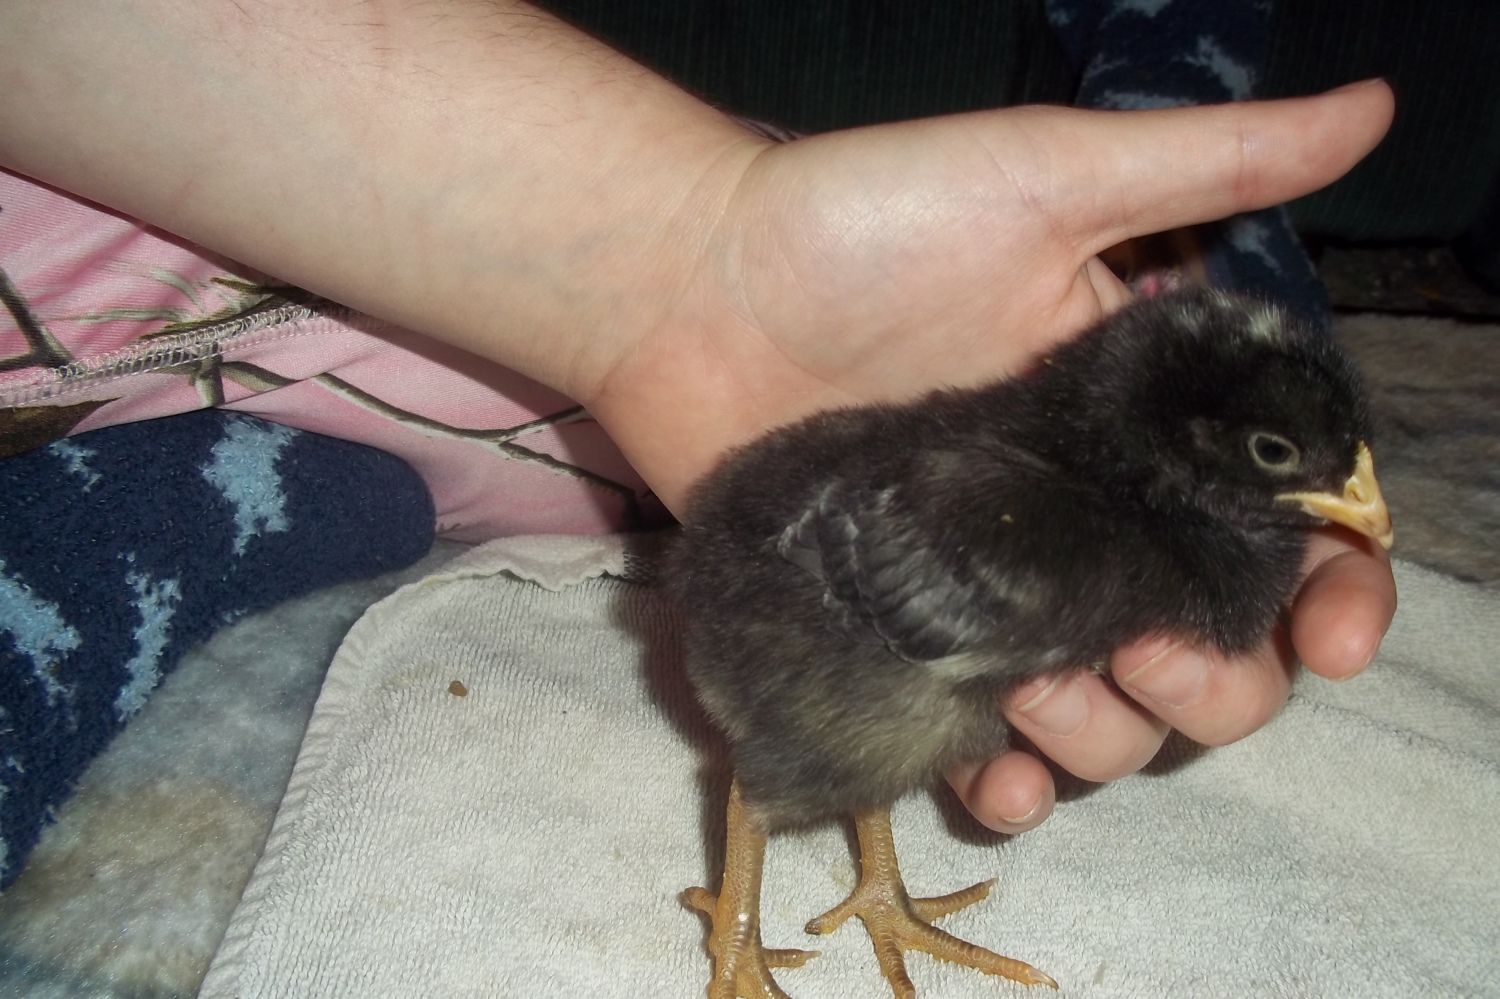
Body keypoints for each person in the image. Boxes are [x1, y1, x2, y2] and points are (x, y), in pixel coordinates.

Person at [0, 0, 1396, 836]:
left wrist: (689, 241)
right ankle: (1198, 205)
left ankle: (1188, 204)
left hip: (634, 277)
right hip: (601, 428)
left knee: (1159, 304)